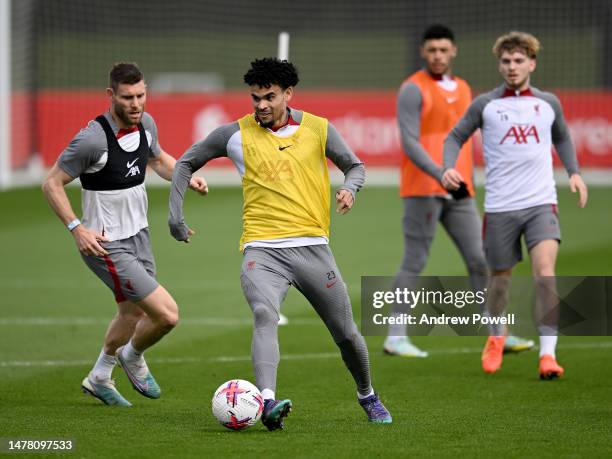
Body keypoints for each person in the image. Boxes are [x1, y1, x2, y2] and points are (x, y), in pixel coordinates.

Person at [169, 57, 392, 429]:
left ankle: (367, 394)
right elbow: (185, 163)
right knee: (263, 314)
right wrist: (175, 215)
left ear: (288, 94)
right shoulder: (233, 135)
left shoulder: (320, 129)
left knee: (347, 335)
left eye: (269, 97)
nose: (261, 105)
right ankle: (267, 403)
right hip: (262, 250)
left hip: (313, 249)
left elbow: (355, 166)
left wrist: (349, 190)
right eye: (255, 98)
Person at [42, 62, 208, 406]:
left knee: (131, 314)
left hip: (139, 237)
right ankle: (132, 356)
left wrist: (186, 176)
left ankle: (100, 376)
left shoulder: (146, 123)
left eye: (141, 95)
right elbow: (51, 183)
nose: (136, 104)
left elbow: (159, 159)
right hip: (107, 244)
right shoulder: (91, 139)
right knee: (166, 315)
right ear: (111, 95)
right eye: (128, 97)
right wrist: (76, 228)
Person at [442, 31, 588, 379]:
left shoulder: (548, 103)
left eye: (519, 60)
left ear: (532, 63)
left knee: (545, 274)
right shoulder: (486, 105)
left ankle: (548, 356)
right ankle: (496, 335)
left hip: (541, 203)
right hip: (500, 207)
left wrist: (575, 172)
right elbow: (455, 136)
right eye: (506, 61)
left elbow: (563, 137)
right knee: (500, 282)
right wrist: (448, 166)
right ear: (499, 64)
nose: (512, 67)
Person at [385, 24, 533, 357]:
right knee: (415, 260)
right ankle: (395, 336)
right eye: (432, 50)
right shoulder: (412, 89)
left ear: (454, 52)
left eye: (443, 49)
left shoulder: (465, 88)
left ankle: (498, 333)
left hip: (460, 188)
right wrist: (439, 172)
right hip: (424, 186)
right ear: (423, 52)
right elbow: (409, 142)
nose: (438, 55)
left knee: (481, 258)